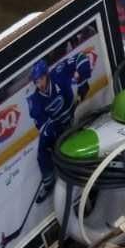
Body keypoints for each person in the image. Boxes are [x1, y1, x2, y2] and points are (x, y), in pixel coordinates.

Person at [28, 51, 92, 203]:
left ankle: (86, 172)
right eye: (36, 81)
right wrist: (51, 131)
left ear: (46, 75)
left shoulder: (59, 72)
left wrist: (82, 80)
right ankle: (48, 182)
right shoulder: (34, 100)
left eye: (41, 79)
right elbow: (40, 124)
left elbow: (81, 58)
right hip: (55, 126)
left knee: (76, 147)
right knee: (42, 151)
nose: (39, 84)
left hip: (73, 113)